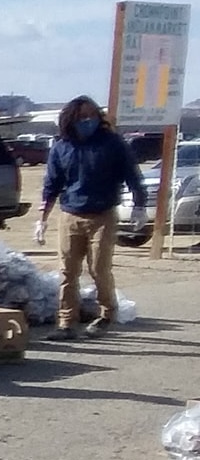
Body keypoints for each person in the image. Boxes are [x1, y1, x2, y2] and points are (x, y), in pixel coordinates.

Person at [37, 95, 146, 339]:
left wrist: (139, 206)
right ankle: (66, 322)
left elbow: (132, 176)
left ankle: (107, 314)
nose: (87, 121)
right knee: (67, 270)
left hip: (103, 214)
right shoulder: (61, 147)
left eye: (92, 116)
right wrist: (42, 217)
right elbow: (51, 184)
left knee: (99, 268)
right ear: (70, 119)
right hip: (70, 214)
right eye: (81, 117)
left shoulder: (112, 143)